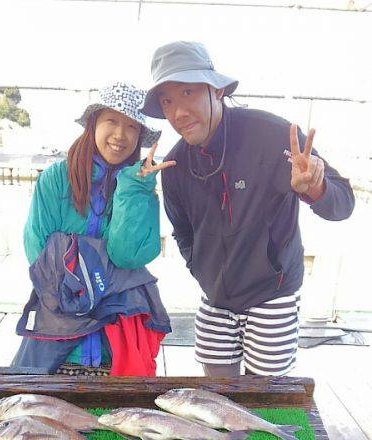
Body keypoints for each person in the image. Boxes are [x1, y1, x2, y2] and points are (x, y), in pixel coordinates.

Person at [142, 41, 355, 377]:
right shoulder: (175, 163)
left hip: (273, 293)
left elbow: (342, 203)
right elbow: (182, 232)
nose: (178, 112)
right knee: (217, 398)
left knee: (264, 399)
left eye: (187, 92)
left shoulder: (272, 134)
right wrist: (203, 270)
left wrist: (316, 188)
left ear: (218, 89)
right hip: (215, 298)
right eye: (167, 100)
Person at [13, 83, 174, 376]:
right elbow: (37, 252)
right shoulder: (56, 178)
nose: (120, 135)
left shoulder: (142, 186)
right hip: (59, 320)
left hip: (117, 334)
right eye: (111, 121)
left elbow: (128, 256)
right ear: (92, 123)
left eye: (131, 126)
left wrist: (133, 190)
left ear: (139, 135)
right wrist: (83, 288)